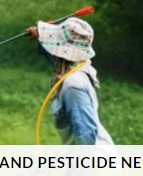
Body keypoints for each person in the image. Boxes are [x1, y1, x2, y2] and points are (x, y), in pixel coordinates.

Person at [25, 17, 114, 145]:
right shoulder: (74, 66)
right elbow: (54, 56)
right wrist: (40, 35)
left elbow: (86, 136)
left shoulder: (73, 85)